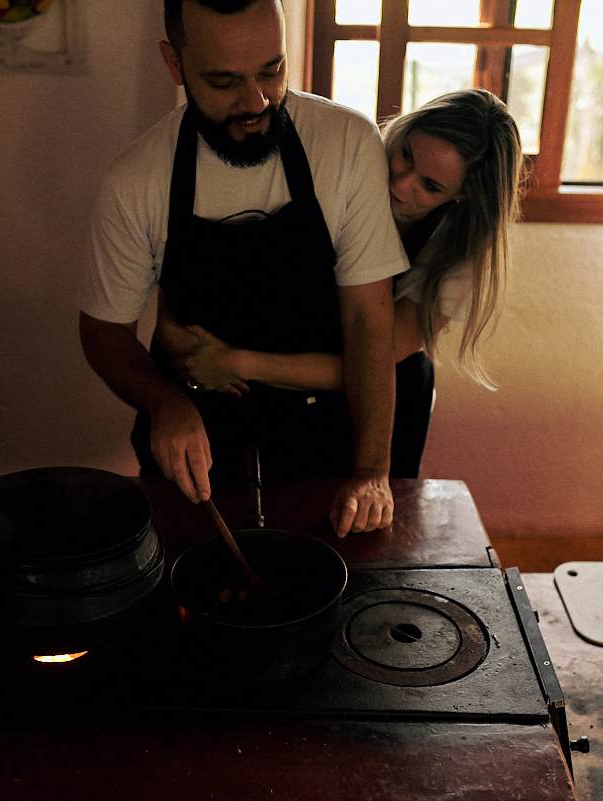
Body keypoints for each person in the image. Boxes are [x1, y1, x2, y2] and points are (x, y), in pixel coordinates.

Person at [78, 0, 408, 536]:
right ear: (174, 63)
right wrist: (164, 403)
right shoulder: (136, 180)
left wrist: (371, 470)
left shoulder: (347, 144)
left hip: (328, 434)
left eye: (272, 71)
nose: (256, 101)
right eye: (224, 81)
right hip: (200, 442)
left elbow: (367, 321)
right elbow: (103, 331)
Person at [157, 89, 524, 477]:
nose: (401, 184)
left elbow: (372, 362)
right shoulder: (346, 161)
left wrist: (239, 363)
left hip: (376, 394)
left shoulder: (460, 252)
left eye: (430, 186)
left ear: (465, 194)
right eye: (406, 156)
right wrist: (173, 328)